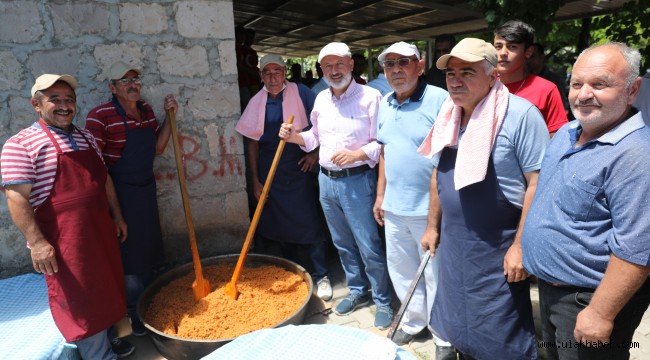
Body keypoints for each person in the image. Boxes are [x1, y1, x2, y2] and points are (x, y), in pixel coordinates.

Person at [418, 38, 549, 359]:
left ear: (493, 77)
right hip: (454, 243)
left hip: (497, 247)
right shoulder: (449, 114)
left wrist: (521, 246)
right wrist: (432, 226)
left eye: (467, 72)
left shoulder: (520, 116)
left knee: (499, 327)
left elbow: (539, 183)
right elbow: (439, 174)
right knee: (456, 314)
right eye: (451, 74)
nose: (455, 80)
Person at [522, 42, 650, 360]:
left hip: (588, 302)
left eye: (600, 84)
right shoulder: (567, 132)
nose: (583, 94)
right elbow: (542, 195)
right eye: (577, 83)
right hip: (552, 292)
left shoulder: (637, 155)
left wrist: (601, 314)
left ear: (633, 89)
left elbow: (637, 248)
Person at [1, 74, 128, 360]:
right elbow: (16, 197)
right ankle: (99, 356)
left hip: (99, 230)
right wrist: (37, 243)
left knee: (107, 286)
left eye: (69, 100)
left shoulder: (86, 137)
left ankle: (110, 341)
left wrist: (117, 215)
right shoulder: (20, 144)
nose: (64, 106)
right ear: (36, 104)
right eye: (54, 100)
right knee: (79, 298)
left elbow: (104, 179)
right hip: (64, 240)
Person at [279, 42, 394, 330]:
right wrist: (293, 137)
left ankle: (383, 300)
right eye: (328, 66)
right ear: (321, 70)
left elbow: (383, 142)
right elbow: (314, 138)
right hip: (326, 182)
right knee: (342, 243)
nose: (334, 70)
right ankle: (357, 291)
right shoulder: (320, 100)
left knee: (368, 243)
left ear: (351, 65)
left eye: (339, 64)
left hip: (358, 181)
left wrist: (358, 154)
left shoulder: (372, 97)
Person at [85, 61, 178, 355]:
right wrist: (114, 212)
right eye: (124, 81)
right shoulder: (100, 116)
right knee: (130, 259)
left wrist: (170, 117)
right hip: (119, 192)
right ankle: (136, 317)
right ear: (112, 87)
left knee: (149, 252)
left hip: (146, 190)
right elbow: (95, 167)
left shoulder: (147, 111)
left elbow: (158, 148)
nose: (132, 84)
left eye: (135, 79)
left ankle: (150, 312)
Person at [371, 41, 452, 354]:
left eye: (403, 62)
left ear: (420, 65)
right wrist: (380, 196)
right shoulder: (385, 102)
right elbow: (384, 153)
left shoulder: (439, 100)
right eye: (389, 64)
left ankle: (443, 335)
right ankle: (412, 323)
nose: (395, 70)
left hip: (428, 210)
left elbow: (445, 161)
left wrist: (436, 218)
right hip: (394, 207)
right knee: (402, 272)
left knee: (435, 274)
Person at [235, 54, 332, 300]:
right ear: (261, 76)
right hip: (271, 172)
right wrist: (255, 181)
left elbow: (327, 122)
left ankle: (321, 274)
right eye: (267, 72)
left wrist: (316, 153)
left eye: (277, 71)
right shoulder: (257, 102)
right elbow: (252, 145)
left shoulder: (301, 93)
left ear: (284, 72)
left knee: (308, 223)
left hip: (298, 168)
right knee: (279, 227)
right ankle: (295, 273)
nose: (272, 77)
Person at [494, 20, 568, 135]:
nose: (503, 53)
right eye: (498, 46)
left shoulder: (547, 90)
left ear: (528, 52)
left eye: (512, 47)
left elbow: (557, 137)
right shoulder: (485, 86)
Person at [529, 43, 570, 114]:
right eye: (527, 56)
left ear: (541, 57)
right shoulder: (522, 78)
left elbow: (562, 108)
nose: (528, 60)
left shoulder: (554, 79)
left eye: (532, 56)